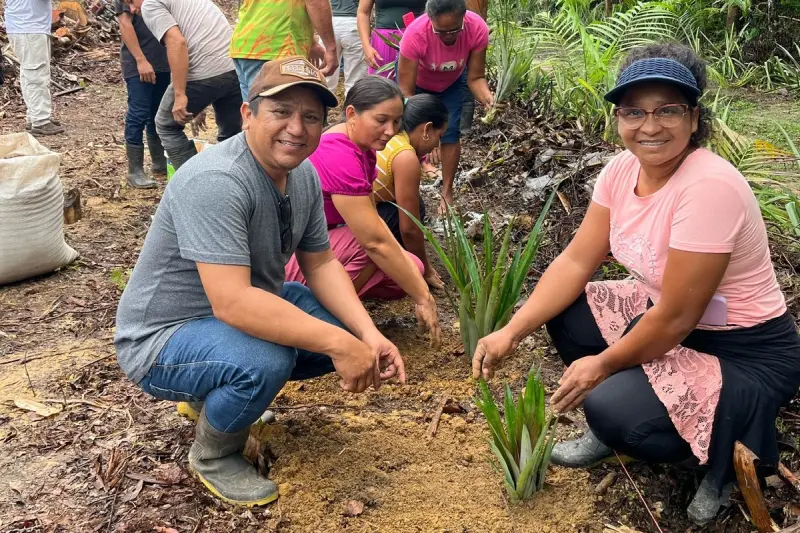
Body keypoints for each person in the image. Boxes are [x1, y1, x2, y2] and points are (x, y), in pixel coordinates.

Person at [470, 43, 800, 526]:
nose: (650, 126)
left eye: (668, 110)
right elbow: (576, 261)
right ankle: (635, 421)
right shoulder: (621, 170)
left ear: (693, 119)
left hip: (742, 349)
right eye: (634, 112)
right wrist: (510, 331)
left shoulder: (709, 188)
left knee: (609, 408)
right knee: (567, 314)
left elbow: (677, 319)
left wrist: (602, 366)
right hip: (668, 317)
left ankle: (724, 459)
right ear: (618, 118)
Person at [115, 57, 406, 507]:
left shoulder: (302, 174)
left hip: (231, 315)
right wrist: (339, 344)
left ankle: (211, 397)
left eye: (311, 117)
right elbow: (232, 304)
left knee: (343, 331)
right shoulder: (218, 180)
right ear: (248, 115)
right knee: (265, 360)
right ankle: (214, 453)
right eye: (281, 111)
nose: (297, 127)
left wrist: (367, 336)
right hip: (162, 338)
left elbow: (322, 264)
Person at [285, 76, 441, 345]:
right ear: (351, 114)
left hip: (320, 247)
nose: (390, 130)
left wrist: (417, 279)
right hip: (293, 259)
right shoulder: (339, 154)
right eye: (381, 120)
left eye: (396, 121)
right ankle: (323, 318)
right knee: (368, 243)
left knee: (410, 268)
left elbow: (374, 221)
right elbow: (373, 240)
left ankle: (337, 300)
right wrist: (423, 297)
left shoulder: (361, 147)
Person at [396, 0, 493, 215]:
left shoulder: (477, 28)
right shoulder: (415, 35)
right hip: (417, 86)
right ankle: (407, 187)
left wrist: (488, 99)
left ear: (464, 18)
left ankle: (447, 193)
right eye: (441, 32)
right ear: (430, 21)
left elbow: (476, 77)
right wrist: (431, 133)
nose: (449, 36)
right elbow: (406, 93)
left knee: (450, 134)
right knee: (410, 134)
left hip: (451, 83)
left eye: (455, 30)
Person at [128, 0, 242, 170]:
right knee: (231, 136)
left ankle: (196, 183)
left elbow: (177, 42)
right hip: (234, 66)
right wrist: (199, 102)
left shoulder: (150, 3)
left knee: (166, 125)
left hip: (204, 72)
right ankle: (234, 181)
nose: (132, 9)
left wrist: (181, 94)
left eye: (130, 1)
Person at [373, 93, 448, 289]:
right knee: (416, 209)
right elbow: (409, 227)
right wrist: (425, 269)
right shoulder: (405, 157)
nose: (437, 146)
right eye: (439, 137)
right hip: (344, 224)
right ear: (427, 129)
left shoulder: (390, 137)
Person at [229, 0, 338, 101]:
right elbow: (315, 2)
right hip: (277, 45)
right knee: (277, 112)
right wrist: (331, 48)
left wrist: (312, 42)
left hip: (245, 43)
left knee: (253, 111)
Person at [115, 0, 171, 188]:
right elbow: (125, 23)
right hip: (139, 63)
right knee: (138, 113)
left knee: (158, 113)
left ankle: (158, 160)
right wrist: (140, 60)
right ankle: (135, 170)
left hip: (163, 59)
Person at [4, 0, 65, 135]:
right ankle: (40, 121)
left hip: (26, 26)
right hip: (29, 27)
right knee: (36, 74)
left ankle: (35, 116)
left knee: (30, 72)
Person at [357, 0, 426, 80]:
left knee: (415, 84)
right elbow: (363, 12)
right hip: (383, 42)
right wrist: (366, 46)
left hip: (416, 39)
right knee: (382, 85)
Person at [325, 0, 368, 95]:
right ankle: (352, 106)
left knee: (326, 76)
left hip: (329, 20)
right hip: (354, 21)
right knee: (355, 78)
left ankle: (321, 106)